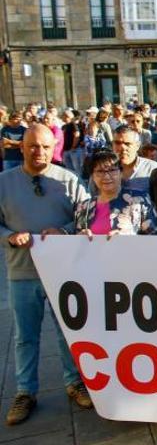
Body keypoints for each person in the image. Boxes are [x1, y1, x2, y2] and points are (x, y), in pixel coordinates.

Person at [0, 125, 93, 425]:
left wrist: (64, 230)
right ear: (21, 147)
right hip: (22, 271)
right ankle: (25, 391)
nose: (38, 151)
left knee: (68, 331)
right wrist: (9, 236)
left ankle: (75, 381)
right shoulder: (4, 182)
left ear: (53, 146)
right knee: (25, 336)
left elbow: (87, 218)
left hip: (62, 272)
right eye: (32, 146)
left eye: (43, 146)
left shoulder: (68, 179)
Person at [74, 149, 157, 237]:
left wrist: (128, 238)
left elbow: (155, 235)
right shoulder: (84, 207)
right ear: (92, 176)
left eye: (112, 170)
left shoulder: (139, 200)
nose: (106, 176)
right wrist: (80, 238)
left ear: (121, 173)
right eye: (100, 171)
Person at [111, 125, 157, 193]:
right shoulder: (102, 170)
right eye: (117, 143)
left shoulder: (154, 169)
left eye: (127, 144)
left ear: (137, 146)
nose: (122, 148)